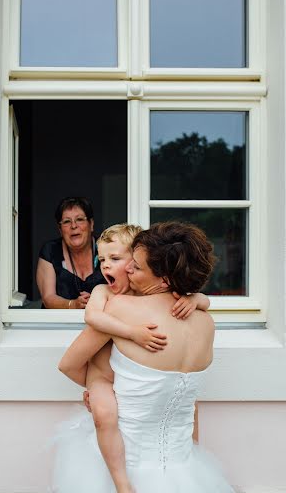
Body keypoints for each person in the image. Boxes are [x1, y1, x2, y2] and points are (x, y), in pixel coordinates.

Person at [55, 222, 234, 493]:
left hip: (126, 468)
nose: (126, 268)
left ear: (163, 278)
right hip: (187, 470)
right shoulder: (206, 324)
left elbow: (68, 364)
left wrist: (101, 386)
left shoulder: (120, 309)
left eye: (136, 266)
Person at [36, 196, 106, 309]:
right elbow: (48, 298)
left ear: (91, 224)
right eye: (67, 221)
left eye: (80, 219)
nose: (74, 226)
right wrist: (72, 304)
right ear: (60, 229)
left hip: (101, 323)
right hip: (59, 323)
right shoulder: (50, 250)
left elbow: (122, 292)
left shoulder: (106, 248)